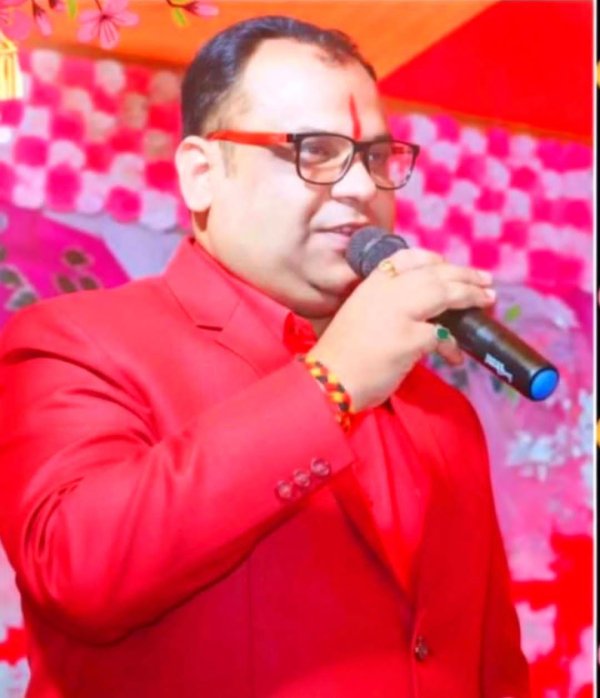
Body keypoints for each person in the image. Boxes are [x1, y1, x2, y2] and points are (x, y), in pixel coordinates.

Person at [0, 15, 530, 698]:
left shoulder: (439, 411)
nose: (361, 188)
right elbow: (79, 572)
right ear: (202, 175)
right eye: (316, 151)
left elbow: (489, 666)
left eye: (376, 157)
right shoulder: (72, 342)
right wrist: (332, 383)